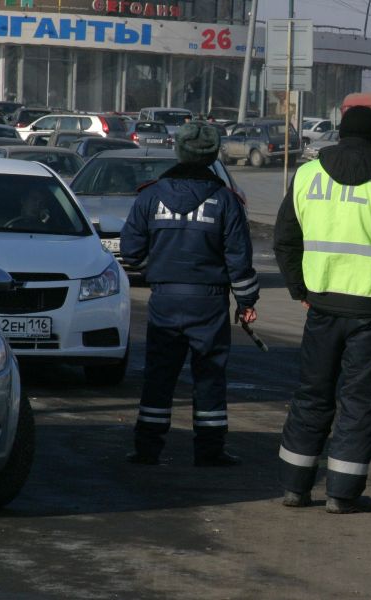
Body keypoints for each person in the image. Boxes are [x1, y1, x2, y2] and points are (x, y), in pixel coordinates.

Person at [274, 105, 371, 514]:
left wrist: (299, 289)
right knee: (359, 401)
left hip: (322, 304)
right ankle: (342, 494)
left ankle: (295, 487)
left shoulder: (307, 173)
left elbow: (285, 240)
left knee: (312, 394)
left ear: (340, 132)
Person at [120, 120, 259, 467]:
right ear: (212, 155)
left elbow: (131, 250)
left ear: (178, 151)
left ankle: (147, 449)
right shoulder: (225, 201)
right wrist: (246, 302)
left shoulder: (151, 196)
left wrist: (160, 270)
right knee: (209, 376)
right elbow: (238, 259)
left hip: (164, 299)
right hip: (209, 302)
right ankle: (210, 451)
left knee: (159, 375)